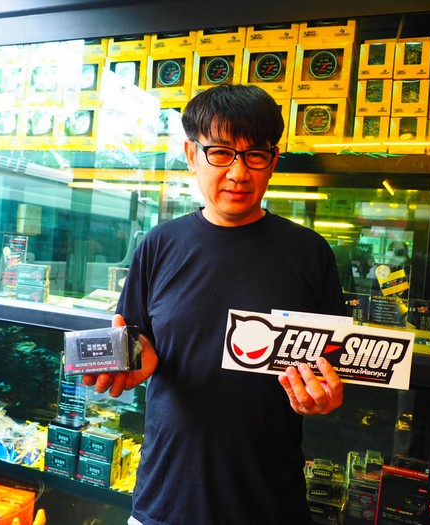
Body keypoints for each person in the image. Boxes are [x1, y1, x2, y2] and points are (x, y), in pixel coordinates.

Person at [82, 84, 346, 525]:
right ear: (191, 155)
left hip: (270, 503)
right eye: (220, 152)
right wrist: (135, 357)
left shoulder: (310, 253)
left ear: (273, 162)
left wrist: (325, 395)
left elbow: (334, 363)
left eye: (255, 155)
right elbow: (136, 337)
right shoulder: (158, 245)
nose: (238, 173)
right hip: (166, 499)